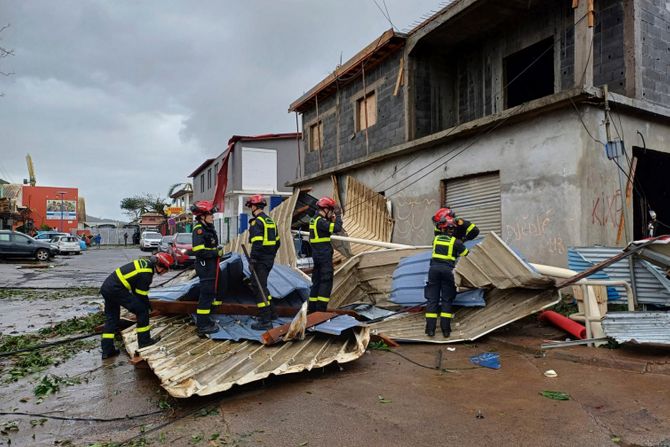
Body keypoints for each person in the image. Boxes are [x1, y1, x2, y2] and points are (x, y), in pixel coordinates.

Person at [100, 252, 174, 359]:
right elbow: (140, 295)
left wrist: (145, 303)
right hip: (116, 290)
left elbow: (136, 290)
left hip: (107, 288)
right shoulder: (147, 273)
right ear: (161, 266)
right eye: (166, 269)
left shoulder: (145, 264)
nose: (165, 272)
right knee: (142, 312)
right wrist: (148, 307)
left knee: (112, 319)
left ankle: (107, 351)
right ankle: (144, 342)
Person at [424, 210, 469, 338]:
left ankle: (430, 330)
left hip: (433, 270)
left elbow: (438, 231)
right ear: (452, 229)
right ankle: (446, 331)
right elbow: (466, 254)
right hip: (447, 271)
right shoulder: (456, 242)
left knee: (432, 300)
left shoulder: (436, 240)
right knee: (446, 300)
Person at [246, 194, 280, 330]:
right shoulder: (270, 221)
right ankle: (272, 313)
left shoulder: (257, 222)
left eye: (251, 206)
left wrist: (253, 260)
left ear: (254, 207)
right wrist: (270, 255)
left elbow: (257, 243)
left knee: (258, 287)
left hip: (260, 260)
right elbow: (278, 242)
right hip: (268, 259)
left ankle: (265, 320)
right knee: (263, 286)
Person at [190, 200, 222, 335]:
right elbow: (199, 251)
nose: (213, 217)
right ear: (202, 216)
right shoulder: (199, 230)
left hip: (211, 265)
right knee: (206, 294)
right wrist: (216, 252)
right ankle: (202, 325)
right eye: (210, 215)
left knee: (210, 293)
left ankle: (206, 319)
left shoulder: (208, 228)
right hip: (205, 266)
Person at [308, 197, 343, 313]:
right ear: (326, 209)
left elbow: (325, 231)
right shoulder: (321, 221)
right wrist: (338, 216)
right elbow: (337, 228)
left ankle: (311, 310)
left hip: (317, 256)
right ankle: (321, 312)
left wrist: (331, 220)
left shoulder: (314, 220)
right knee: (326, 282)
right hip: (324, 256)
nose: (332, 213)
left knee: (316, 282)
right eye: (331, 210)